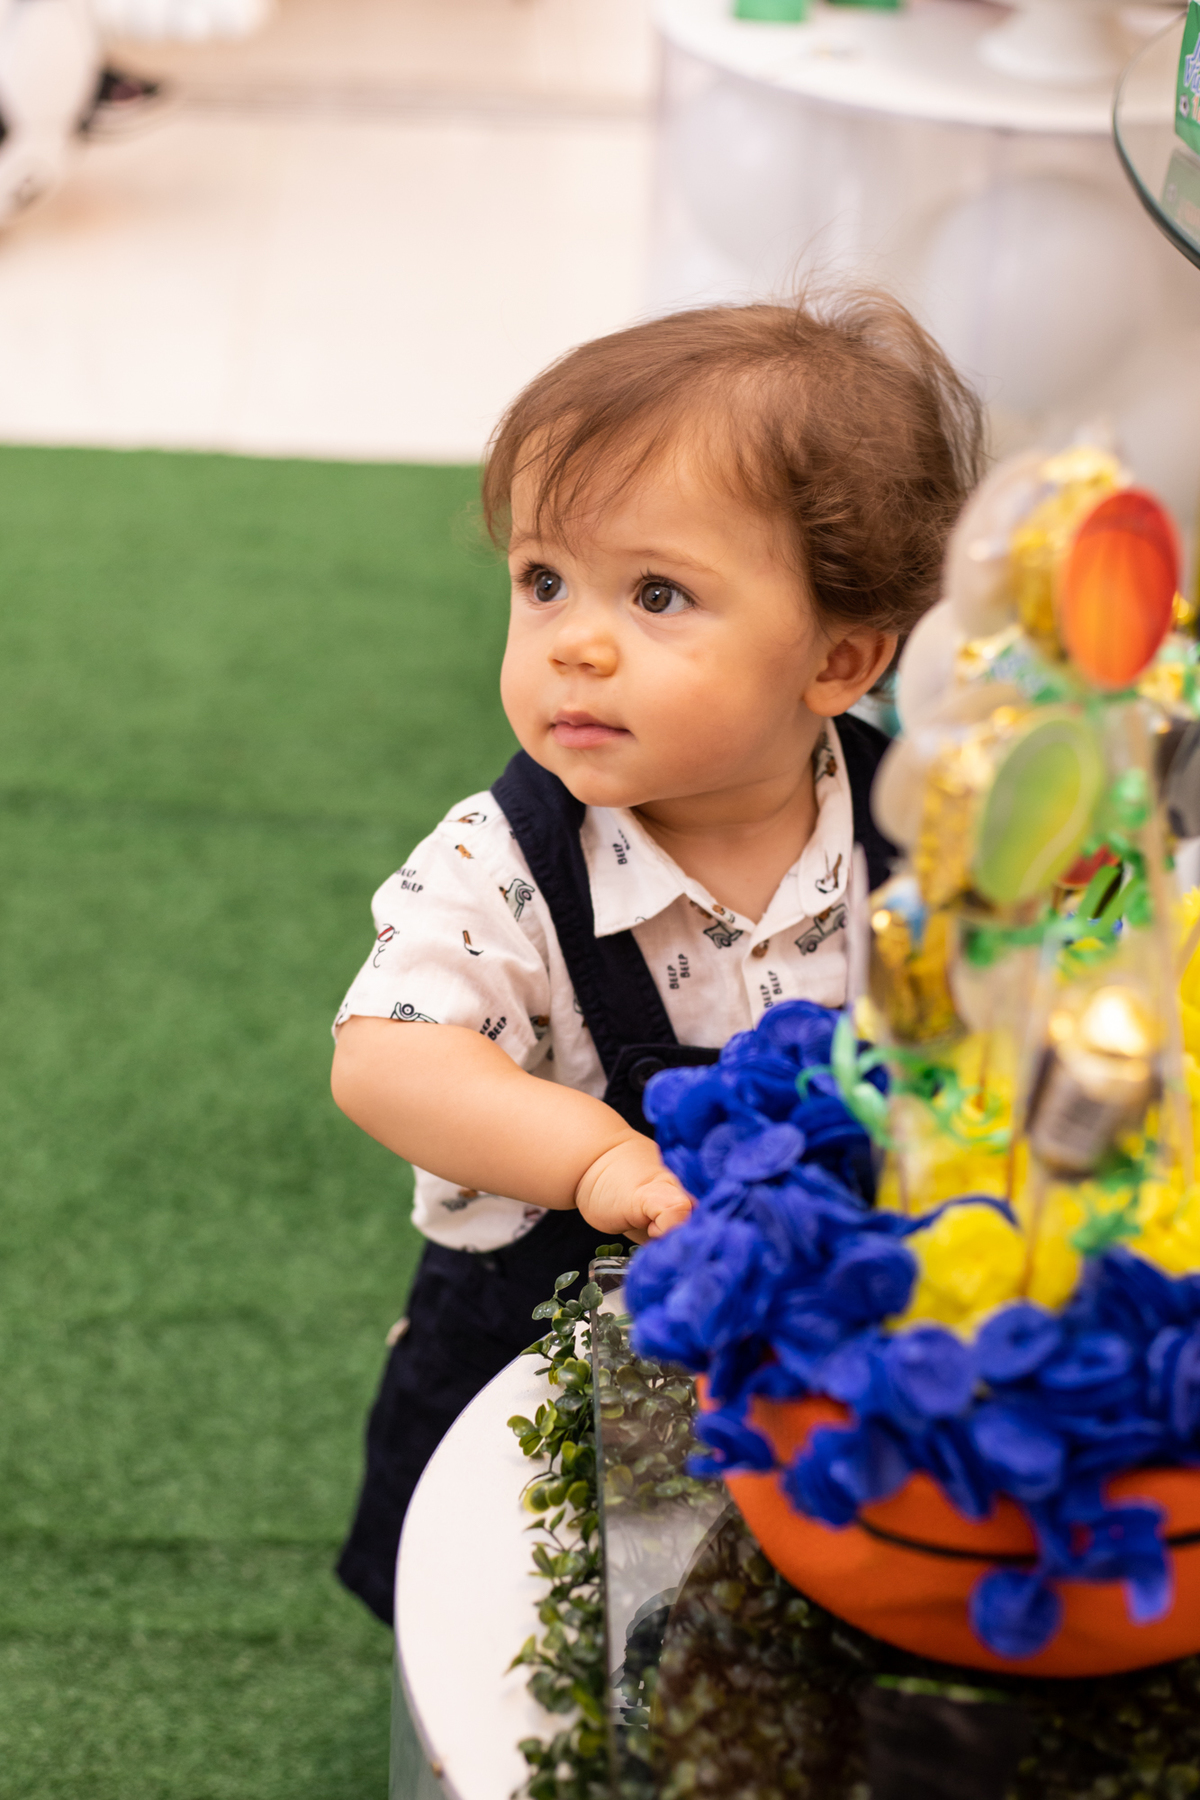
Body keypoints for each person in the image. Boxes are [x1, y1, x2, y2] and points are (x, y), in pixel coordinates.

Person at [330, 289, 984, 1624]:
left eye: (659, 594)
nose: (574, 640)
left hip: (828, 1344)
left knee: (803, 1613)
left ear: (840, 659)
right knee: (525, 1614)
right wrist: (595, 1161)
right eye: (543, 581)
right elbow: (388, 1057)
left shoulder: (922, 829)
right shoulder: (504, 861)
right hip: (547, 1352)